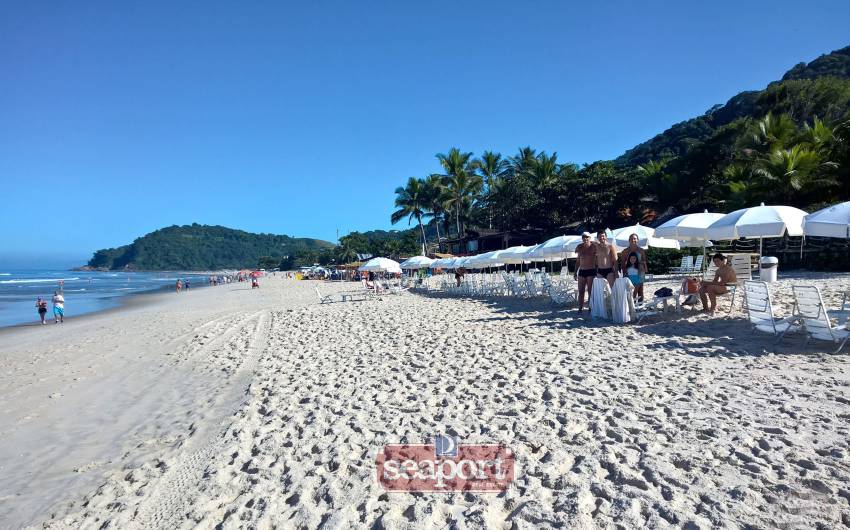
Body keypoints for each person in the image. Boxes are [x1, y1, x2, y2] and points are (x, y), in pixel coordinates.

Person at [619, 234, 647, 302]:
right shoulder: (625, 251)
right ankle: (632, 304)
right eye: (631, 239)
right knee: (631, 290)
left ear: (637, 240)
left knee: (640, 289)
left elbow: (644, 260)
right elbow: (622, 263)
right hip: (630, 272)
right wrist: (624, 273)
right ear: (629, 240)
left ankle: (640, 305)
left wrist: (644, 268)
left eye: (635, 238)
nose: (633, 240)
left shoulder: (641, 250)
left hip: (640, 271)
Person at [575, 232, 597, 312]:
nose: (585, 238)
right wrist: (575, 272)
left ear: (590, 238)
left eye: (587, 237)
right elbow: (577, 261)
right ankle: (580, 308)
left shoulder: (594, 246)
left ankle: (590, 308)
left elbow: (599, 257)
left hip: (591, 270)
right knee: (581, 291)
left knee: (590, 291)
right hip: (582, 271)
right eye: (583, 237)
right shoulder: (579, 247)